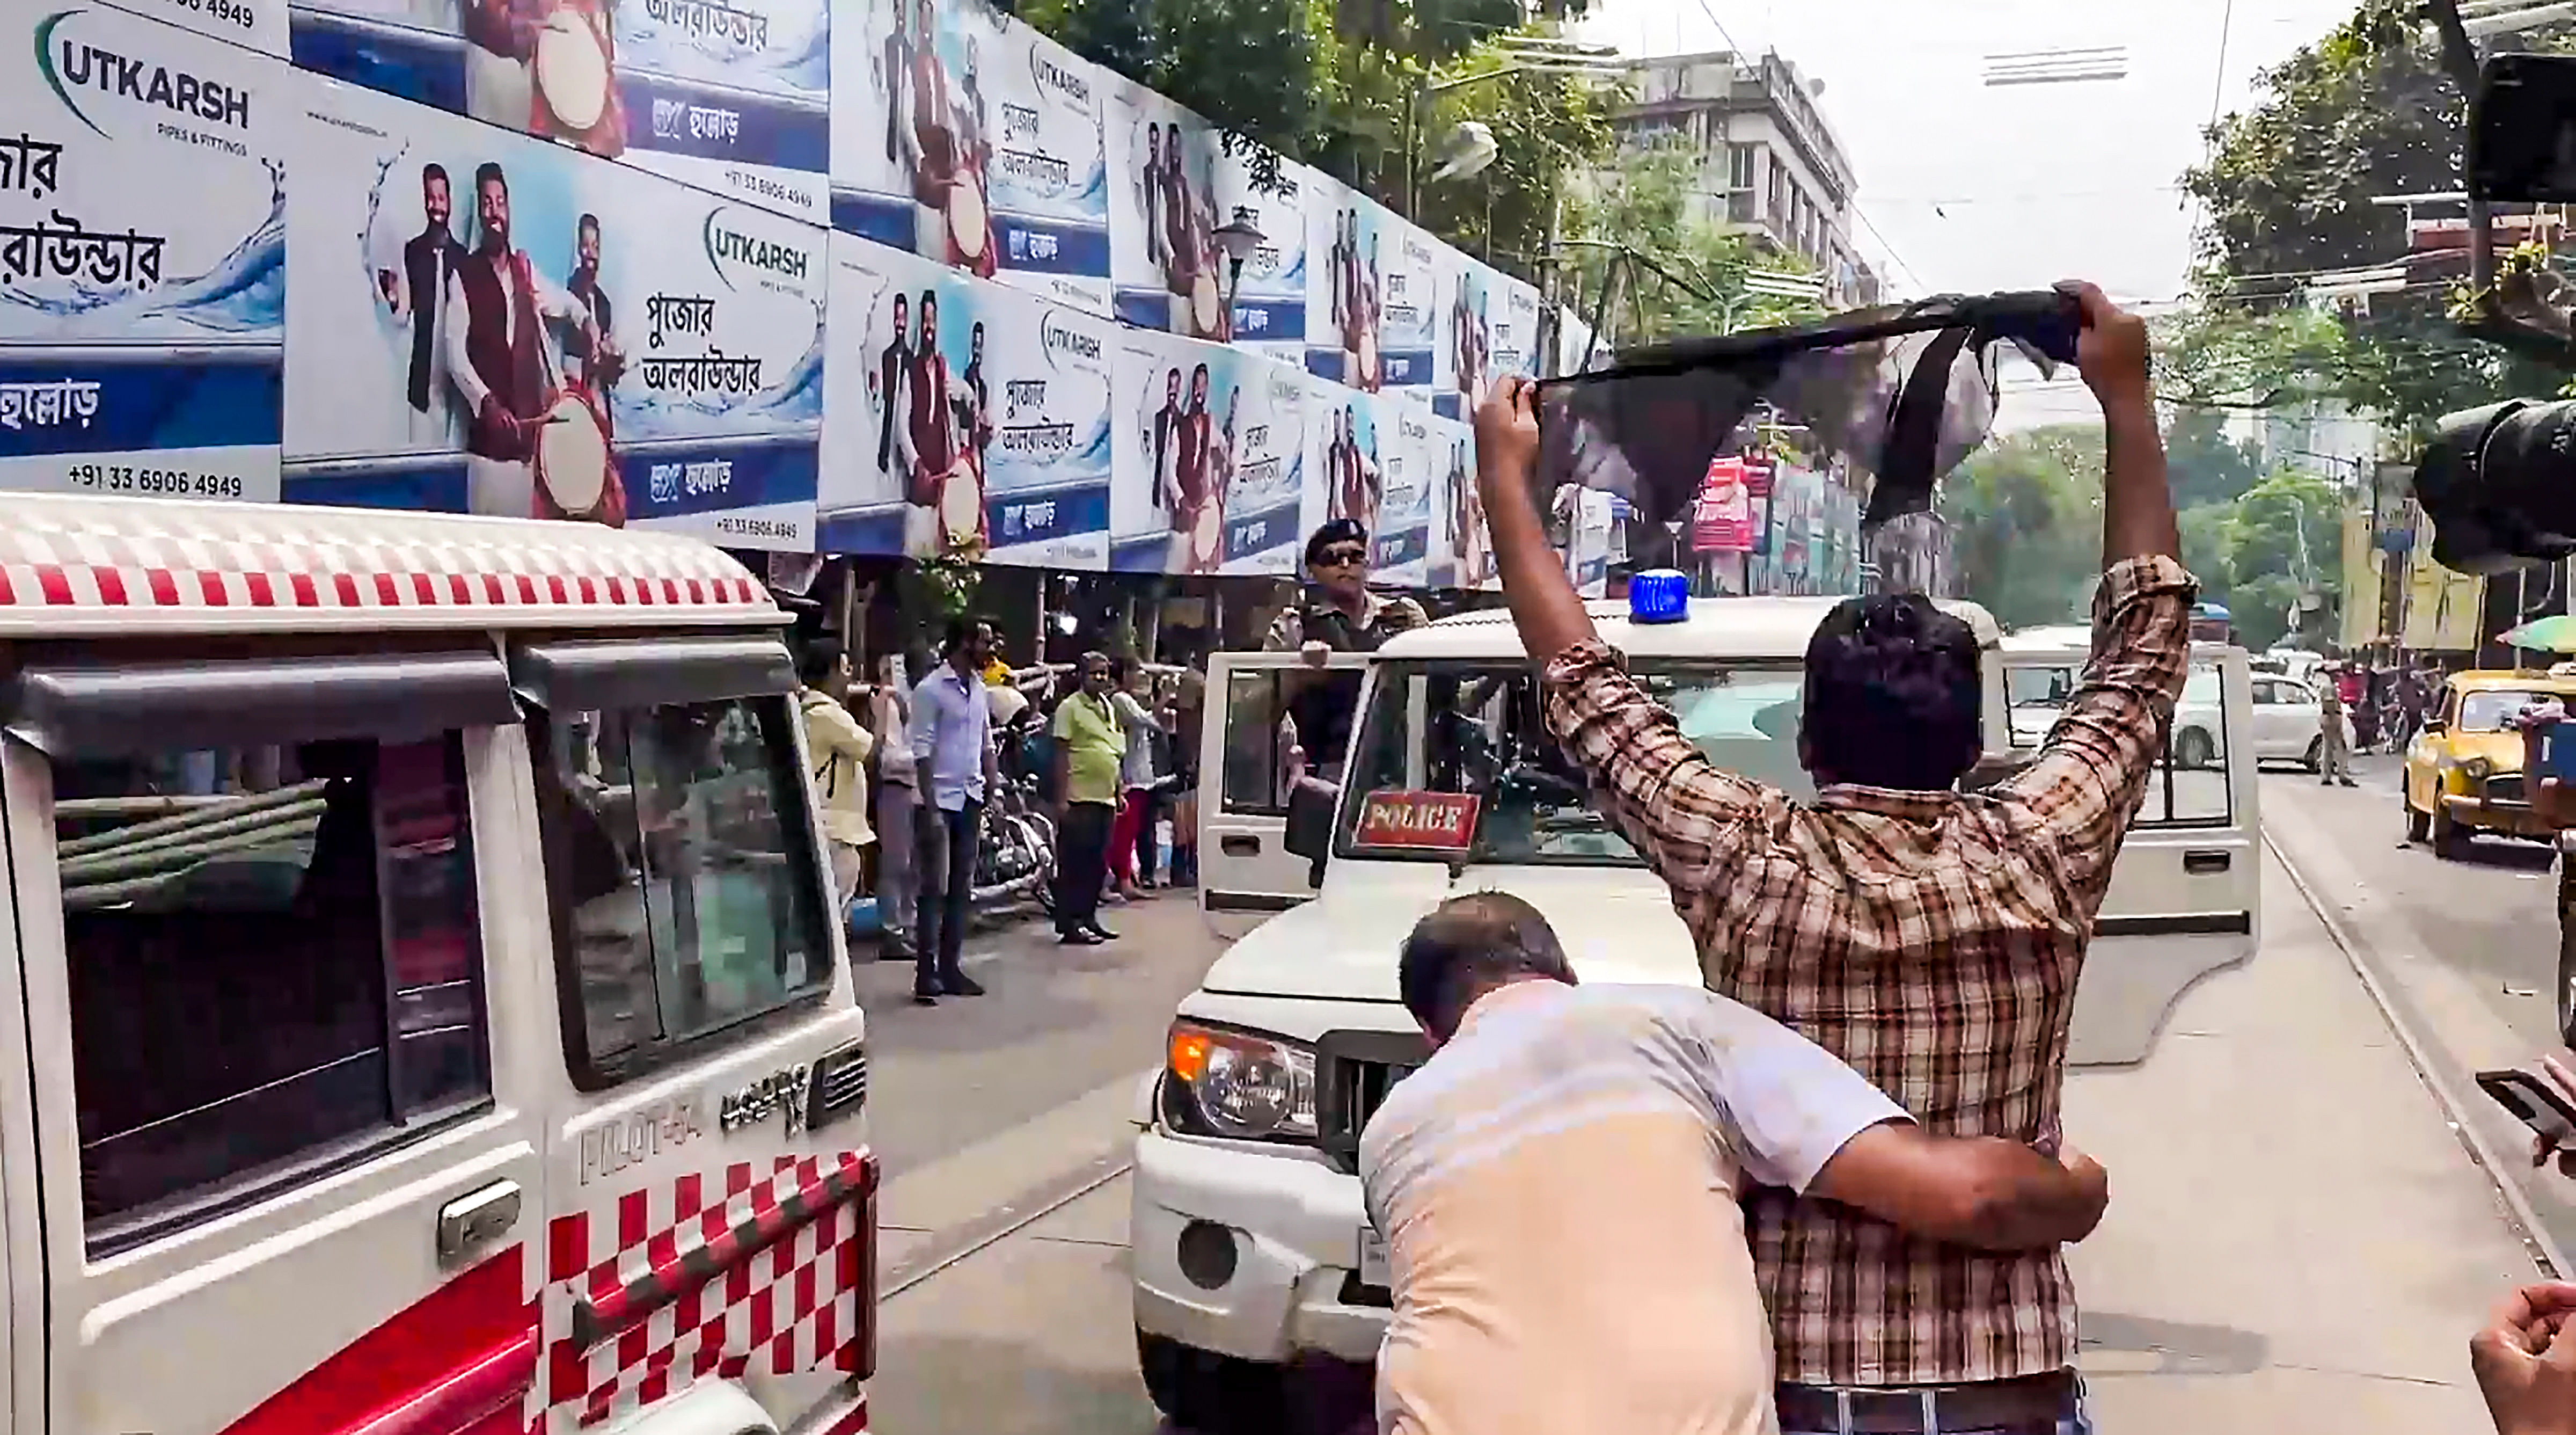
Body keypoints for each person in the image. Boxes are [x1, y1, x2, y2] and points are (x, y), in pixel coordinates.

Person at [1469, 281, 2189, 1433]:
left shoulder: (1744, 858)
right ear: (1975, 745)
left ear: (1805, 744)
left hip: (1785, 1385)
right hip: (2008, 1388)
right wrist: (2127, 398)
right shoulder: (2045, 844)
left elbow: (1585, 688)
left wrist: (1506, 476)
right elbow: (2143, 651)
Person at [1366, 893, 2111, 1435]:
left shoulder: (1392, 1127)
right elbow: (1971, 1196)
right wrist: (2077, 1189)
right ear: (1565, 973)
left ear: (1432, 1031)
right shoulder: (1669, 1026)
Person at [443, 162, 600, 521]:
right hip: (486, 458)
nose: (494, 211)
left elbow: (567, 304)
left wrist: (589, 324)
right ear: (480, 213)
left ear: (509, 209)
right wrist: (487, 403)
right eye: (486, 203)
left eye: (500, 202)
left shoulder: (525, 273)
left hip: (526, 459)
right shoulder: (463, 275)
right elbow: (454, 355)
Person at [1267, 519, 1428, 786]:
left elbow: (1441, 692)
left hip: (1404, 767)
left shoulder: (1403, 615)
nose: (1345, 566)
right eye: (1332, 558)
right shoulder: (1297, 625)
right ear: (1314, 571)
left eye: (1355, 556)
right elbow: (1260, 707)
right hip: (1331, 772)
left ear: (1368, 563)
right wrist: (1300, 672)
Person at [907, 618, 997, 1005]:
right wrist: (929, 807)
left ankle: (951, 967)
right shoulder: (931, 690)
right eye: (985, 642)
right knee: (935, 889)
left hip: (970, 797)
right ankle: (925, 973)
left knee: (961, 888)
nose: (991, 649)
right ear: (964, 643)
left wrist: (993, 784)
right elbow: (922, 752)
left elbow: (986, 741)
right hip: (940, 800)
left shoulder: (979, 689)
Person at [795, 640, 875, 924]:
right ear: (831, 672)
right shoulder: (828, 714)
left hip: (822, 824)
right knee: (834, 917)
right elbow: (872, 750)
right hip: (836, 829)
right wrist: (882, 710)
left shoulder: (805, 712)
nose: (849, 676)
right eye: (845, 668)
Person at [1049, 652, 1125, 945]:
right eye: (1095, 673)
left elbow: (1114, 751)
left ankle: (1089, 917)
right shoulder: (1069, 708)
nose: (1101, 678)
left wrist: (1118, 791)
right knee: (1075, 863)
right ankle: (1070, 924)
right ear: (1082, 676)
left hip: (1105, 797)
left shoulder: (1108, 708)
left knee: (1097, 862)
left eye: (1105, 673)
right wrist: (1061, 798)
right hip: (1079, 797)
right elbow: (1061, 754)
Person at [392, 163, 466, 449]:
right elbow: (403, 312)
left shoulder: (463, 258)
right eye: (430, 198)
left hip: (454, 390)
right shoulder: (412, 252)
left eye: (441, 199)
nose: (436, 206)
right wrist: (393, 297)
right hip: (421, 384)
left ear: (450, 202)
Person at [870, 653, 919, 964]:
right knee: (896, 863)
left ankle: (908, 925)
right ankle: (892, 931)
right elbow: (888, 758)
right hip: (897, 787)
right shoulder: (889, 702)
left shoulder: (923, 700)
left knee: (915, 865)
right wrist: (923, 759)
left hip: (920, 788)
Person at [1108, 659, 1168, 897]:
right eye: (1134, 672)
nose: (1138, 677)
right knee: (1125, 832)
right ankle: (1123, 881)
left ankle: (1126, 878)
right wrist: (1163, 700)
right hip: (1131, 776)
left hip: (1141, 775)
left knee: (1132, 831)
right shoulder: (1121, 700)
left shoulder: (1129, 700)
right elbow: (1150, 722)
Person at [2319, 675, 2358, 787]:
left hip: (2327, 720)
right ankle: (2342, 775)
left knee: (2328, 749)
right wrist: (2337, 713)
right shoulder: (2328, 688)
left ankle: (2326, 776)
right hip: (2333, 720)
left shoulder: (2326, 687)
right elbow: (2329, 703)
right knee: (2340, 750)